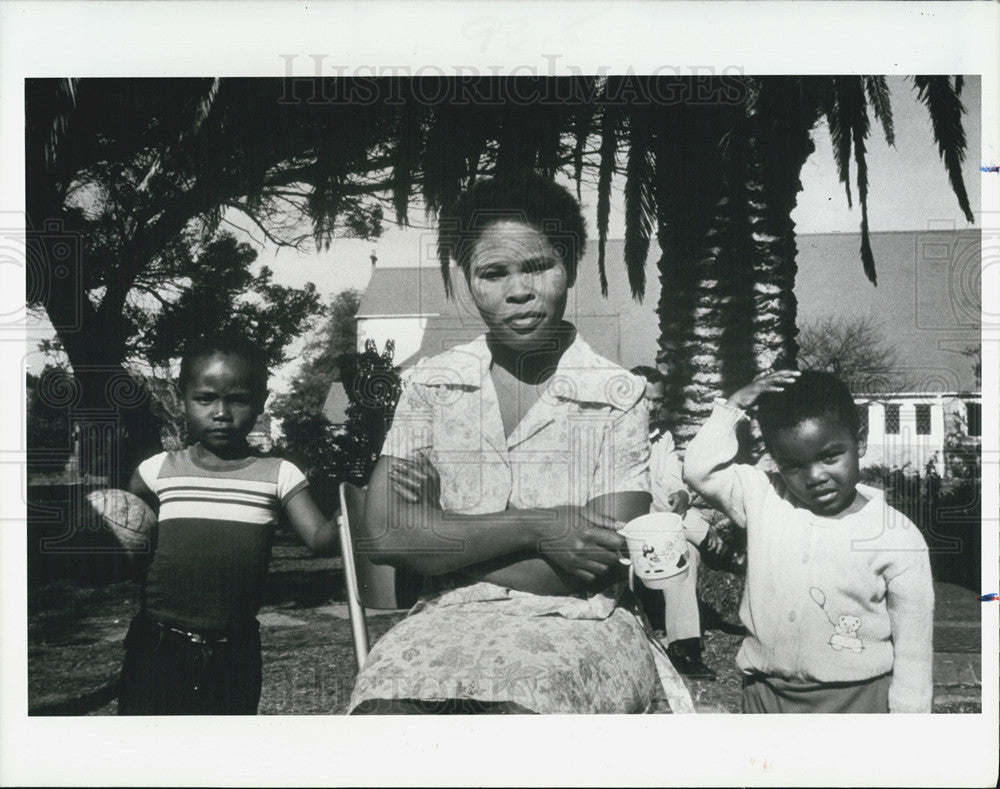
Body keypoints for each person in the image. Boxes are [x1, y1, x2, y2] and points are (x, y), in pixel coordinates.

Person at [348, 172, 693, 714]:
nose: (519, 290)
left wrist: (437, 547)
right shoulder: (432, 386)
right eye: (493, 272)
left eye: (539, 265)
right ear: (466, 279)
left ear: (571, 265)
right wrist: (540, 526)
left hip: (581, 624)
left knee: (526, 715)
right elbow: (387, 533)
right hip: (444, 622)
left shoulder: (615, 395)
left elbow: (593, 565)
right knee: (384, 710)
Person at [684, 369, 934, 713]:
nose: (815, 476)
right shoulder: (764, 498)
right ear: (775, 459)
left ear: (859, 442)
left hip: (855, 700)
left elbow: (914, 649)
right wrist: (733, 405)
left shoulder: (897, 536)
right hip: (764, 695)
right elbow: (699, 469)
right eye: (793, 465)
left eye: (830, 456)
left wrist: (909, 722)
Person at [118, 332, 337, 715]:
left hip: (233, 651)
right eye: (205, 398)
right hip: (156, 646)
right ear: (180, 396)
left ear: (261, 402)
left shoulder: (279, 474)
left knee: (223, 758)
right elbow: (126, 524)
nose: (221, 412)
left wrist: (353, 514)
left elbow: (320, 539)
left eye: (237, 399)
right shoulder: (156, 471)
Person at [630, 365, 719, 680]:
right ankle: (713, 541)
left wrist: (680, 492)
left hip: (656, 527)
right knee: (680, 548)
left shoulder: (660, 437)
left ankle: (683, 647)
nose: (653, 408)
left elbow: (669, 478)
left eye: (658, 401)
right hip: (624, 528)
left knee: (687, 557)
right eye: (646, 400)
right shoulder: (611, 436)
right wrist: (691, 521)